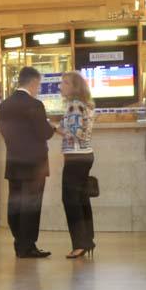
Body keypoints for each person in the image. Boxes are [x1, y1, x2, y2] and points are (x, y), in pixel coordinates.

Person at [0, 66, 56, 259]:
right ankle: (28, 245)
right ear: (32, 82)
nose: (38, 88)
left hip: (14, 162)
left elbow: (5, 132)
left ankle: (18, 242)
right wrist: (52, 127)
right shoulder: (35, 105)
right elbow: (44, 133)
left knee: (15, 204)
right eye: (38, 84)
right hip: (35, 165)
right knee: (31, 205)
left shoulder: (4, 105)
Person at [57, 71, 95, 259]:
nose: (60, 86)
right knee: (81, 200)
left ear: (74, 87)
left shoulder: (74, 106)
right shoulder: (84, 105)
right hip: (85, 155)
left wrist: (54, 128)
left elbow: (74, 133)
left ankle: (80, 243)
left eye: (64, 83)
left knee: (71, 201)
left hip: (76, 157)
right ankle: (87, 240)